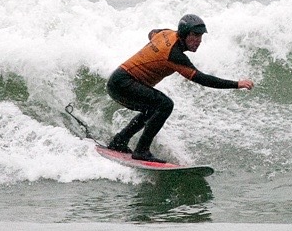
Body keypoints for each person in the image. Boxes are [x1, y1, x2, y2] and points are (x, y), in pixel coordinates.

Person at [106, 13, 254, 162]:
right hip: (123, 83)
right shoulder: (174, 55)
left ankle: (119, 142)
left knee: (152, 109)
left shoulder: (165, 33)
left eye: (201, 36)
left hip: (118, 80)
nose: (199, 41)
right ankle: (141, 150)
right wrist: (236, 84)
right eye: (195, 35)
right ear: (184, 34)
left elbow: (152, 33)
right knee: (165, 105)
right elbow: (202, 79)